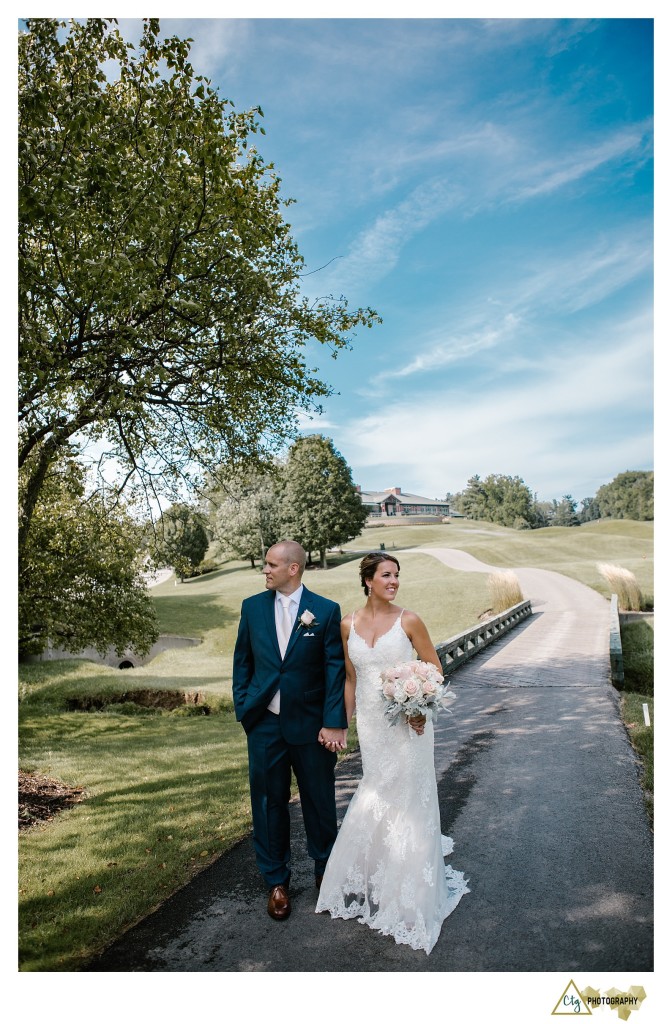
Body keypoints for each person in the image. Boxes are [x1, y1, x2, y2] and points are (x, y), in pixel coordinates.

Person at [315, 551, 469, 954]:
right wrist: (342, 722)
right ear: (368, 580)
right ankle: (381, 869)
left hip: (409, 723)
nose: (394, 581)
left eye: (397, 575)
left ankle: (412, 878)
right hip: (371, 723)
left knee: (409, 790)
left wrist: (418, 707)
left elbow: (434, 668)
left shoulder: (410, 620)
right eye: (386, 575)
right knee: (378, 788)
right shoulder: (347, 624)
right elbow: (351, 678)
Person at [232, 540, 347, 921]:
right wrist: (245, 708)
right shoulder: (251, 607)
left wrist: (333, 720)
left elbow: (335, 671)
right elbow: (242, 662)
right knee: (268, 803)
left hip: (311, 725)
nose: (265, 570)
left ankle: (323, 871)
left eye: (271, 565)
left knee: (318, 799)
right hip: (264, 724)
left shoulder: (326, 612)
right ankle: (277, 881)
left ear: (293, 568)